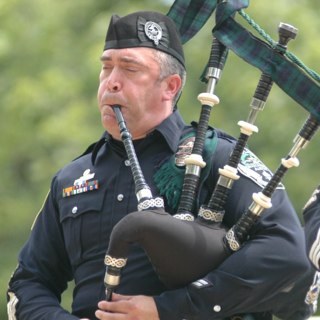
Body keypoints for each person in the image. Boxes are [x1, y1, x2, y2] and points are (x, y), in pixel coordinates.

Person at [6, 10, 318, 320]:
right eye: (106, 68)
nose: (111, 82)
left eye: (129, 69)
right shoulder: (71, 178)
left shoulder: (218, 156)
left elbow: (287, 256)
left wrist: (169, 309)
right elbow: (28, 283)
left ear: (170, 86)